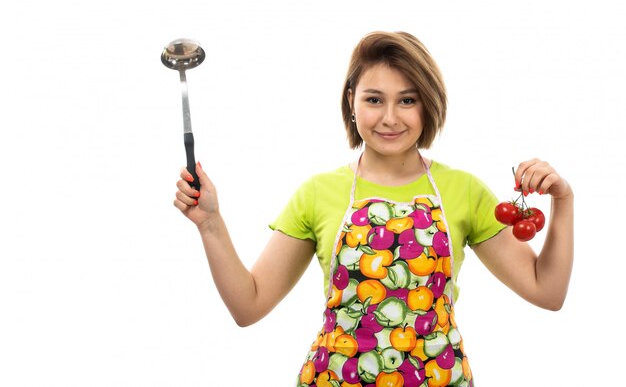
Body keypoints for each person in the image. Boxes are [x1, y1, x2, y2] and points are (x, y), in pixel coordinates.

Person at [174, 31, 574, 387]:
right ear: (352, 101)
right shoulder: (318, 193)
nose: (389, 117)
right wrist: (210, 223)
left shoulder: (463, 190)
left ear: (427, 104)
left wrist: (563, 200)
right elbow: (249, 305)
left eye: (407, 100)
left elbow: (548, 291)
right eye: (374, 99)